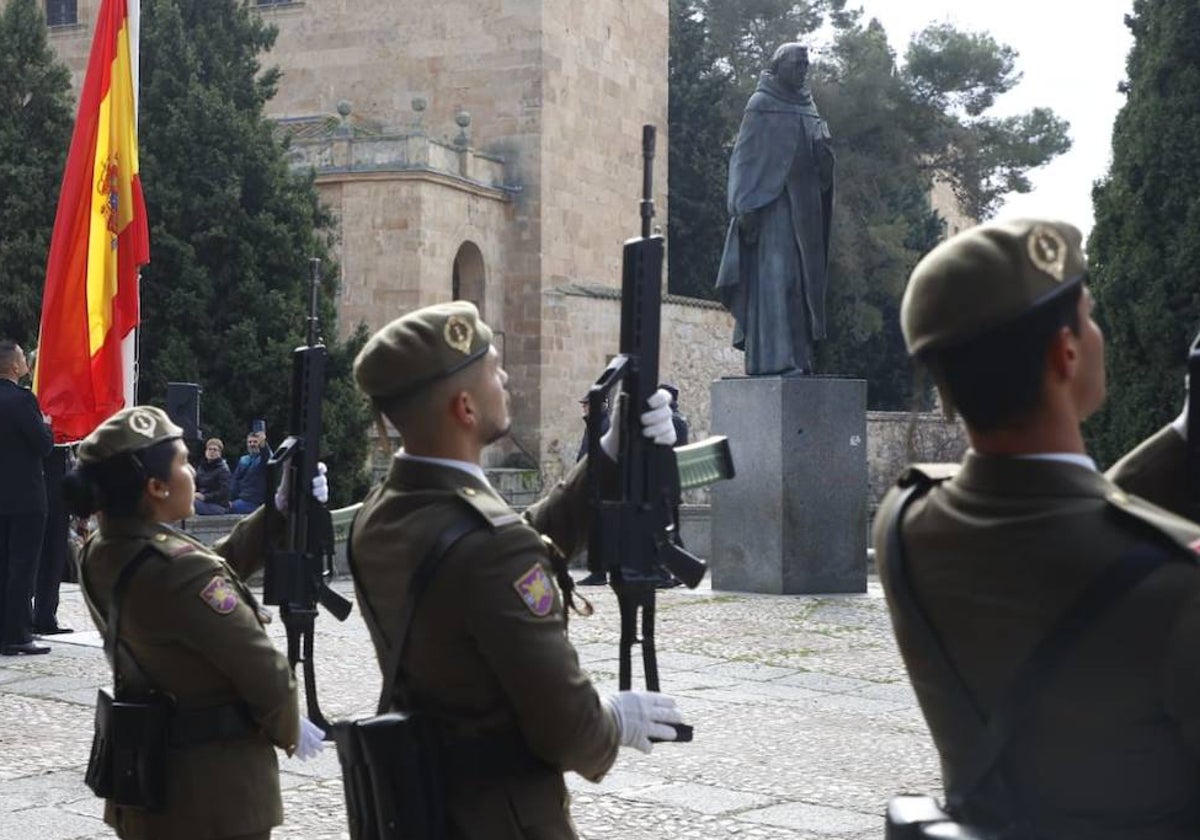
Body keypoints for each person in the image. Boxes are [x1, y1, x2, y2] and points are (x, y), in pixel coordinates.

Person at [874, 218, 1200, 839]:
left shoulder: (904, 522)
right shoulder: (1178, 586)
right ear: (1066, 353)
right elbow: (1109, 523)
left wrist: (1183, 438)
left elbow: (1086, 514)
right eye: (1090, 315)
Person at [350, 301, 686, 839]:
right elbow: (569, 730)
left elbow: (502, 544)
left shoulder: (379, 514)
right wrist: (615, 718)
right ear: (465, 408)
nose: (505, 378)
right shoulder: (488, 548)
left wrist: (609, 455)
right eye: (493, 369)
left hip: (427, 808)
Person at [65, 405, 324, 840]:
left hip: (154, 785)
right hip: (212, 794)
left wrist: (276, 511)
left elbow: (210, 571)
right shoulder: (174, 568)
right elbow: (263, 669)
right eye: (184, 462)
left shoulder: (105, 548)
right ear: (156, 487)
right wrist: (289, 726)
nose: (192, 472)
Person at [715, 42, 836, 376]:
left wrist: (825, 156)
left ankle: (800, 359)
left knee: (801, 287)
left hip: (806, 210)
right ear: (779, 66)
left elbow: (822, 173)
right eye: (797, 65)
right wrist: (741, 206)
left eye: (806, 65)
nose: (803, 71)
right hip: (773, 207)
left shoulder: (809, 107)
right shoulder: (761, 103)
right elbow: (743, 158)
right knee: (776, 281)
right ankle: (774, 361)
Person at [0, 341, 54, 655]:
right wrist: (46, 426)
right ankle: (18, 634)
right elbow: (42, 445)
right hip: (25, 498)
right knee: (23, 567)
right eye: (23, 358)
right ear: (14, 367)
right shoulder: (22, 401)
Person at [33, 444, 74, 635]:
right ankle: (41, 617)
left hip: (51, 494)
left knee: (51, 558)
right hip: (45, 493)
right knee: (47, 558)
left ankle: (45, 616)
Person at [229, 426, 271, 514]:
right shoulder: (243, 460)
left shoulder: (263, 460)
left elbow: (267, 457)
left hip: (255, 502)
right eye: (250, 442)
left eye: (255, 442)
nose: (252, 444)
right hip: (241, 498)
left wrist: (263, 442)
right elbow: (235, 481)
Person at [193, 437, 232, 515]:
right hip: (201, 501)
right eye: (209, 449)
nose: (212, 452)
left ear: (220, 453)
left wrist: (205, 497)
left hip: (218, 505)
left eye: (215, 450)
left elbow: (224, 492)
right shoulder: (201, 467)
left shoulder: (223, 470)